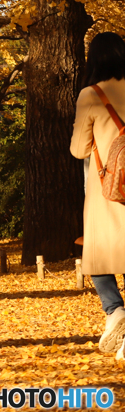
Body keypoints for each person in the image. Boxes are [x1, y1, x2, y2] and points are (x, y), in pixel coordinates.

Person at [70, 32, 125, 357]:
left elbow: (79, 150)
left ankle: (115, 311)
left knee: (99, 252)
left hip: (109, 190)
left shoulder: (91, 95)